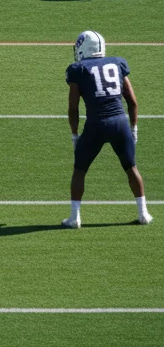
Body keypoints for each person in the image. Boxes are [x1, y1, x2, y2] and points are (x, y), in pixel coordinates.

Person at [62, 30, 152, 228]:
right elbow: (133, 101)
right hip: (120, 122)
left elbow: (73, 107)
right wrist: (133, 128)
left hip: (96, 124)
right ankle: (143, 213)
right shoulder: (117, 63)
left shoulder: (78, 69)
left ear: (85, 47)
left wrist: (75, 134)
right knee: (131, 168)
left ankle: (75, 217)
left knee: (79, 170)